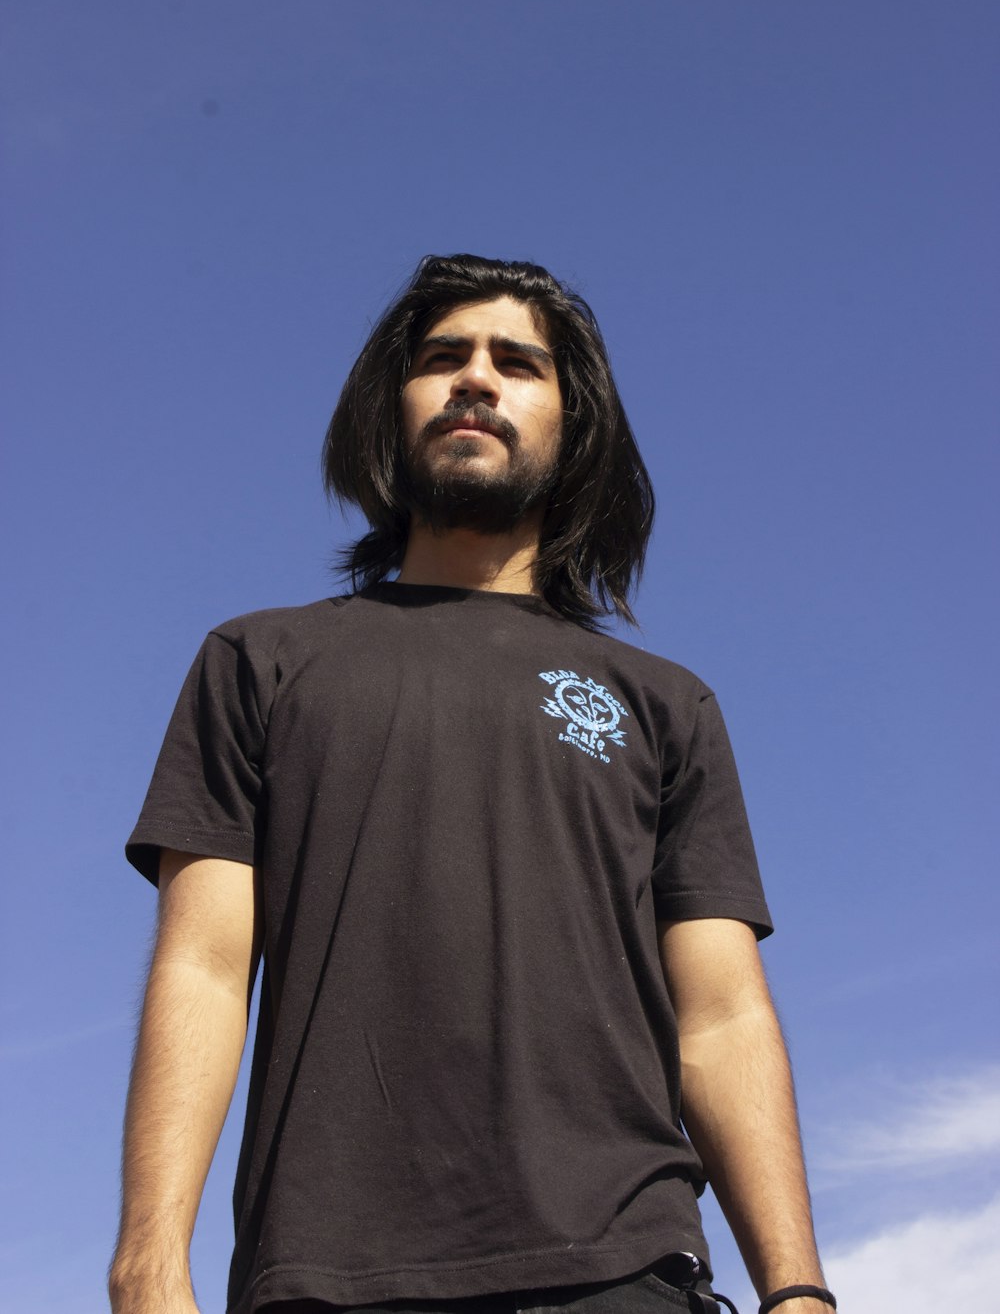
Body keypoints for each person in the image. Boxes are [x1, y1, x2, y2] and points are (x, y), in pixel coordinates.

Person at [109, 255, 834, 1314]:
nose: (476, 380)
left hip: (622, 1270)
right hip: (327, 1275)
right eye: (443, 357)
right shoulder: (257, 662)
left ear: (572, 423)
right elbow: (206, 968)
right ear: (387, 412)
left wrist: (796, 1289)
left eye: (518, 363)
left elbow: (719, 1015)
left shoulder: (665, 704)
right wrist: (146, 1263)